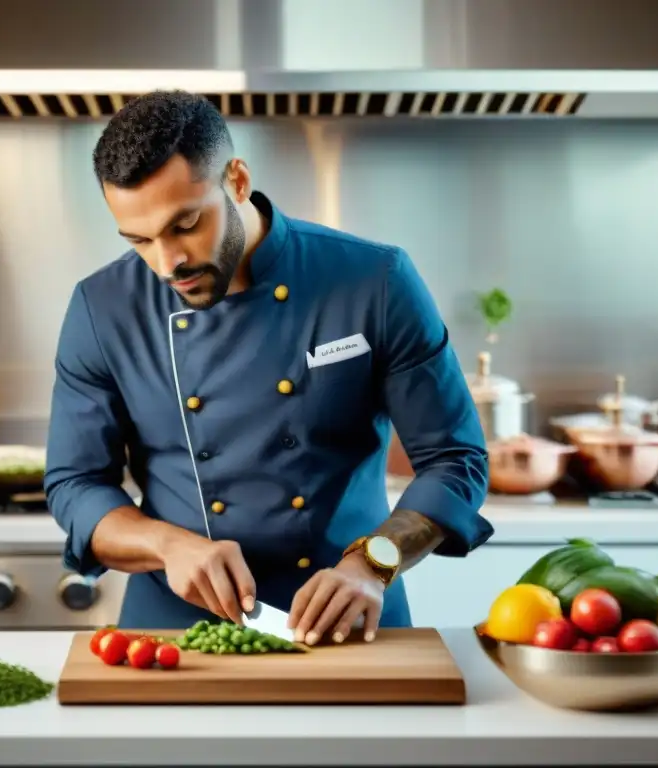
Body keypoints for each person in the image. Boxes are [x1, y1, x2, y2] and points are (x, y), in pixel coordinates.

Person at [45, 90, 493, 645]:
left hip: (351, 620)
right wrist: (167, 544)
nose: (167, 264)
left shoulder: (374, 279)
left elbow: (455, 459)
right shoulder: (102, 307)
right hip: (176, 635)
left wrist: (373, 564)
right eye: (140, 240)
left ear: (236, 181)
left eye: (185, 225)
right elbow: (75, 484)